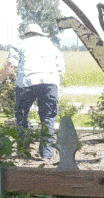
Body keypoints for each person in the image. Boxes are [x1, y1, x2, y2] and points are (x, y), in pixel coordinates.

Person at [0, 23, 66, 160]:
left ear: (25, 35)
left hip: (27, 83)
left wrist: (1, 80)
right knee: (48, 118)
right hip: (50, 82)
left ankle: (24, 150)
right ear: (40, 34)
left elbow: (11, 65)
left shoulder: (19, 44)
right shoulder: (50, 45)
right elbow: (61, 69)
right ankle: (46, 155)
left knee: (22, 115)